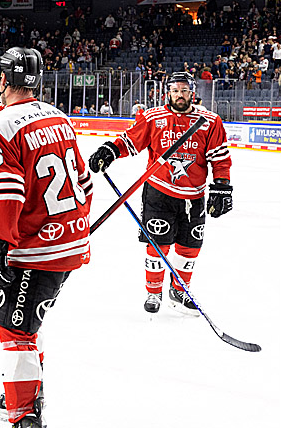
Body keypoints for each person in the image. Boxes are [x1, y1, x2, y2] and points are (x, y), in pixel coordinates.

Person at [0, 47, 93, 428]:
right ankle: (24, 393)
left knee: (15, 330)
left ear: (2, 79)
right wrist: (73, 225)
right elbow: (83, 179)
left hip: (37, 249)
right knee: (26, 324)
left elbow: (4, 194)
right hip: (69, 241)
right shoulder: (56, 115)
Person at [88, 71, 232, 314]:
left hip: (194, 195)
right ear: (168, 92)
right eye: (175, 90)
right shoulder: (153, 117)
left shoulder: (210, 121)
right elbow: (129, 141)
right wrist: (109, 150)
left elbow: (220, 158)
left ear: (192, 93)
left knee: (190, 247)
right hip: (159, 192)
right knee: (157, 245)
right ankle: (153, 291)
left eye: (184, 90)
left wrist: (222, 187)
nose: (179, 95)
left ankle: (180, 290)